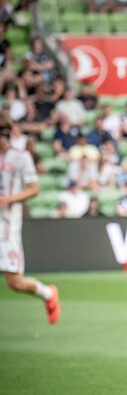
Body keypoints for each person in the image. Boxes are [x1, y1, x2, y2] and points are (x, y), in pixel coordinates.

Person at [0, 126, 60, 323]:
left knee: (15, 283)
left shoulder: (20, 157)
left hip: (7, 228)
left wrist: (9, 199)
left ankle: (48, 294)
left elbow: (34, 189)